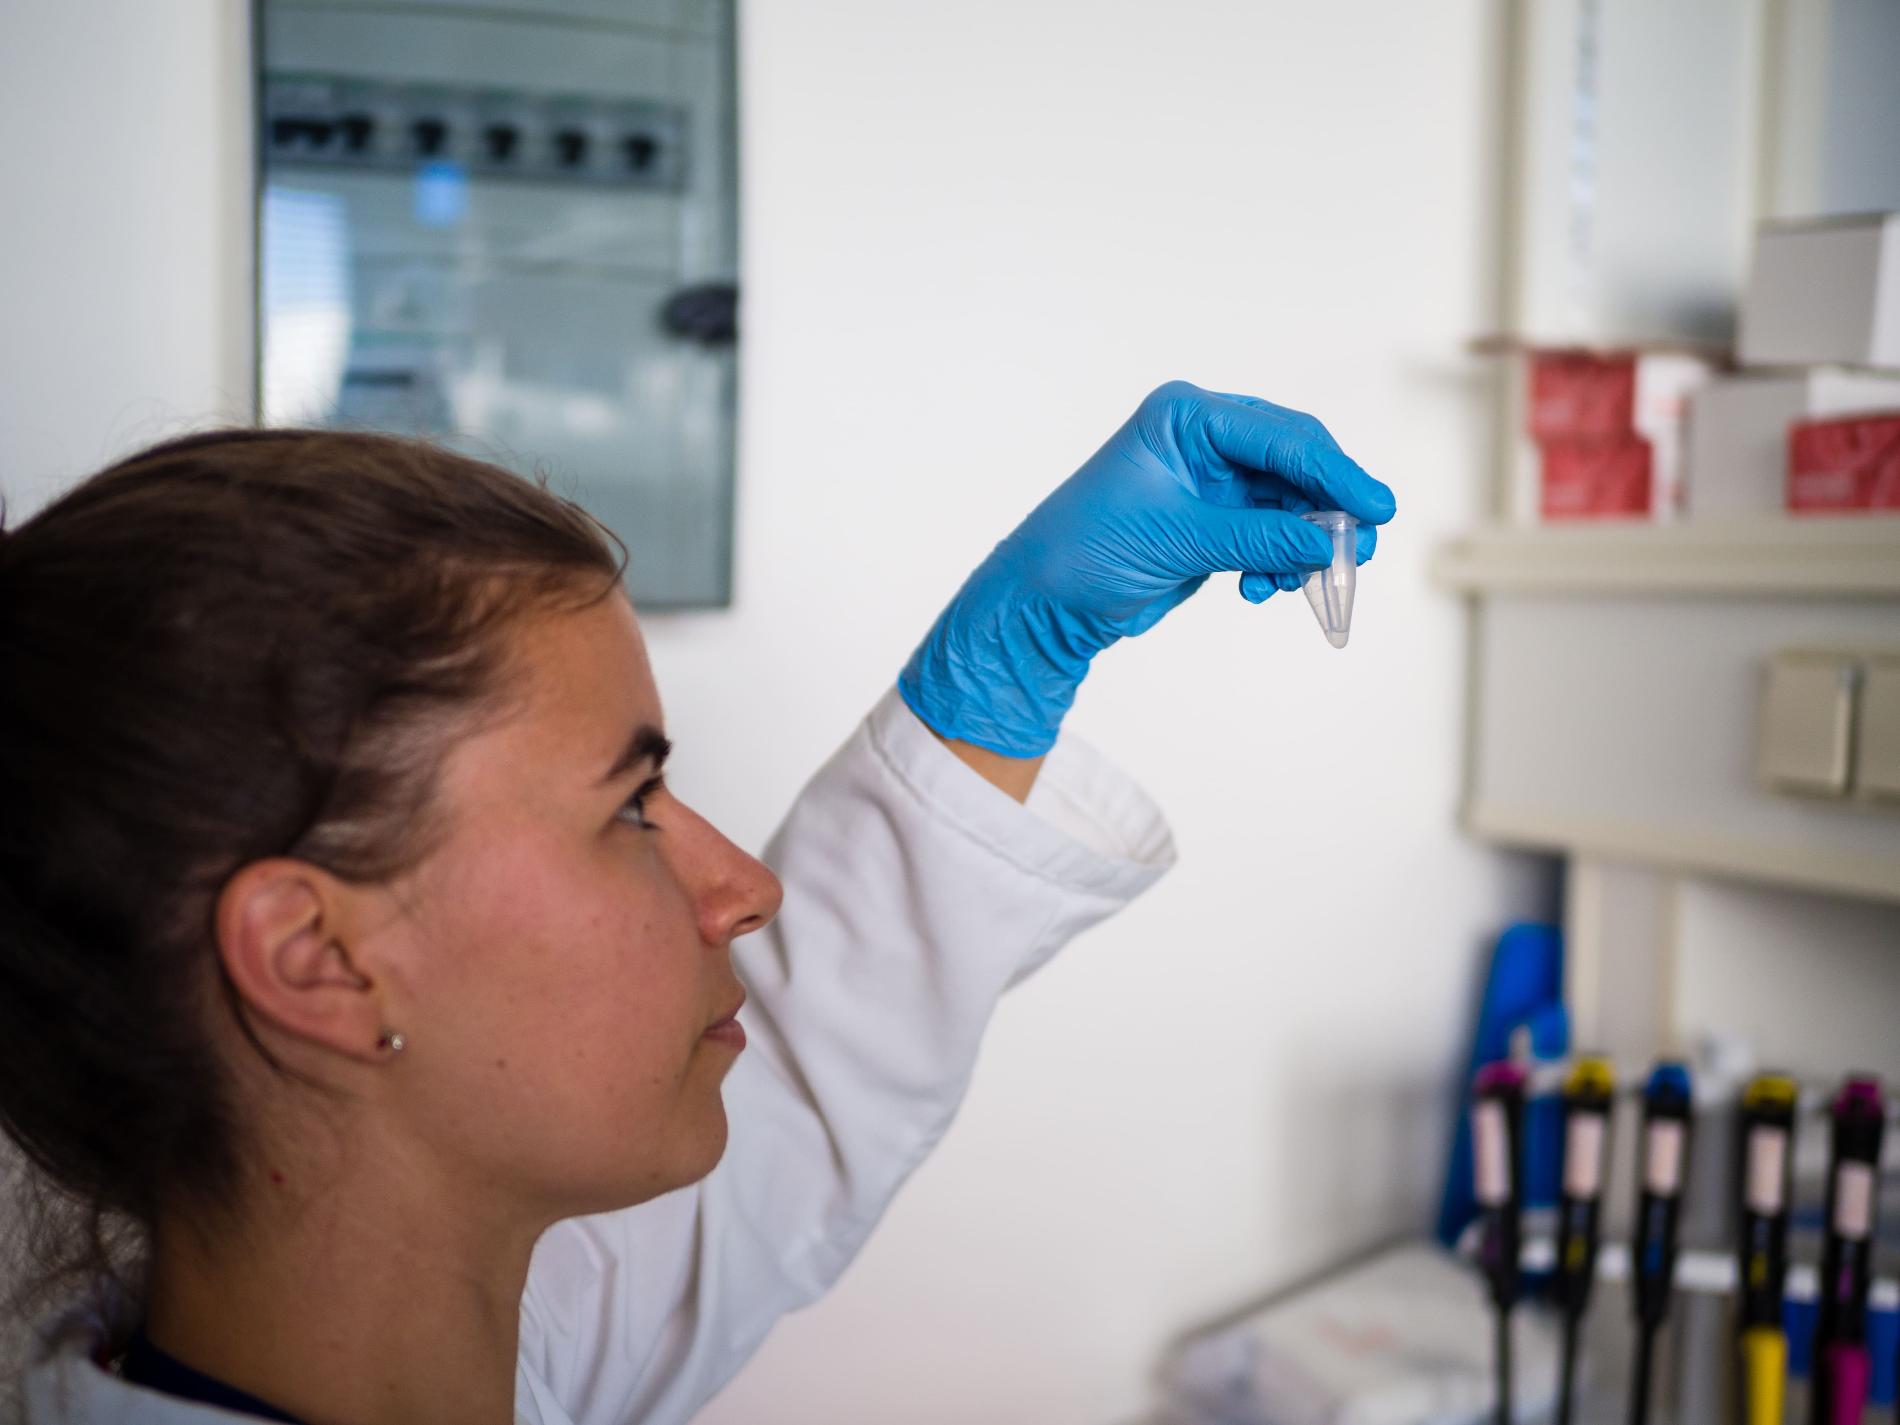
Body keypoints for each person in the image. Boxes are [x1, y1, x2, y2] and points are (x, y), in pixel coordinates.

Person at [0, 381, 1392, 1424]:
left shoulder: (485, 1344)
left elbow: (787, 1098)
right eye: (629, 806)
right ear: (322, 960)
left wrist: (1023, 647)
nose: (744, 887)